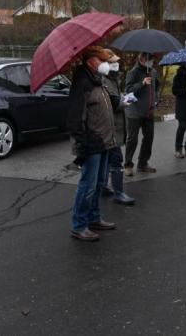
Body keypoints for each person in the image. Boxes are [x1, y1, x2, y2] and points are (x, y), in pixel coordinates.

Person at [67, 47, 118, 241]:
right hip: (92, 142)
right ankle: (79, 225)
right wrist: (82, 142)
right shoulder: (83, 83)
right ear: (90, 62)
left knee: (98, 183)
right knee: (87, 185)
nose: (105, 63)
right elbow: (75, 116)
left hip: (105, 141)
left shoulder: (97, 80)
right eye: (100, 60)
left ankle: (94, 218)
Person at [102, 51, 135, 206]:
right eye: (112, 62)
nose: (116, 64)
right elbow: (111, 102)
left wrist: (123, 97)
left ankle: (103, 187)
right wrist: (123, 102)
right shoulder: (104, 80)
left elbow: (115, 97)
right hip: (110, 128)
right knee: (116, 160)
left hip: (114, 126)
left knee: (107, 159)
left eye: (116, 62)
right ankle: (118, 193)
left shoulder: (113, 79)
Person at [124, 53, 160, 176]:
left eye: (153, 60)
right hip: (134, 112)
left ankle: (143, 163)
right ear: (142, 59)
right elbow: (128, 91)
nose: (152, 62)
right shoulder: (133, 72)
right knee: (132, 139)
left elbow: (157, 87)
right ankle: (128, 165)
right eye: (150, 60)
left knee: (149, 138)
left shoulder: (153, 72)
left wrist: (156, 98)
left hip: (149, 111)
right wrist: (142, 83)